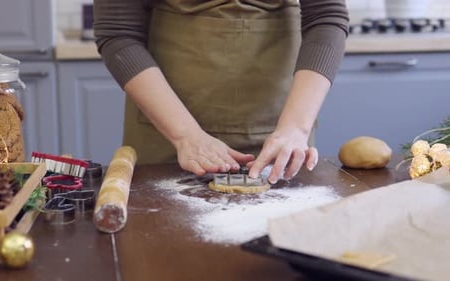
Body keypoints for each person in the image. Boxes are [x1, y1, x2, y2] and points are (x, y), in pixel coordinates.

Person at [93, 0, 349, 184]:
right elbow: (119, 33)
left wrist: (296, 128)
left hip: (281, 127)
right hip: (166, 128)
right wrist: (185, 136)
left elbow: (325, 18)